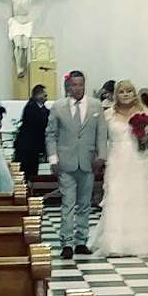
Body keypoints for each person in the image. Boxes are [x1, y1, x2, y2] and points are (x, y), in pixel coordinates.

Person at [89, 80, 148, 258]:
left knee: (139, 195)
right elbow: (101, 138)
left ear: (135, 93)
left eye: (129, 91)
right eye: (122, 92)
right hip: (117, 159)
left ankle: (143, 242)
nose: (125, 94)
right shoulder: (108, 114)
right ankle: (115, 242)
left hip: (139, 160)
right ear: (116, 94)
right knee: (117, 196)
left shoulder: (146, 112)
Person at [46, 70, 107, 259]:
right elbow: (51, 134)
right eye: (74, 84)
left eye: (81, 84)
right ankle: (66, 243)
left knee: (84, 204)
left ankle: (81, 240)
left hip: (88, 162)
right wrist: (53, 159)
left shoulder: (96, 106)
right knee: (68, 203)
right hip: (66, 162)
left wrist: (102, 156)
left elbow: (101, 134)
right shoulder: (58, 107)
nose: (78, 88)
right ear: (68, 86)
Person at [14, 84, 50, 181]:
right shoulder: (31, 107)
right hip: (27, 147)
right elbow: (40, 122)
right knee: (27, 171)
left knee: (33, 170)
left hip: (33, 147)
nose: (46, 97)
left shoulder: (41, 107)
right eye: (44, 95)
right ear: (37, 95)